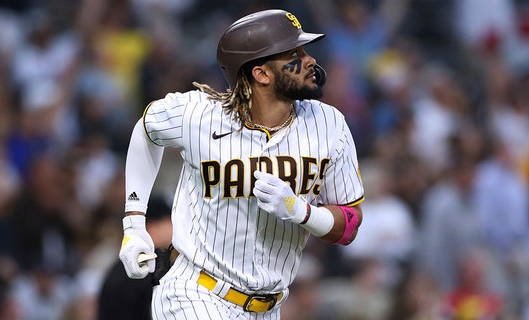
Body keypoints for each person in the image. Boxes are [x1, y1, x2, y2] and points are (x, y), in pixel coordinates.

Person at [117, 8, 364, 319]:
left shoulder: (329, 124)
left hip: (269, 307)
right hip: (195, 292)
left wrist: (302, 211)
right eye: (294, 53)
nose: (310, 60)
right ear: (261, 74)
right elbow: (146, 130)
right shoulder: (199, 114)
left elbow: (349, 226)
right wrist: (134, 224)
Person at [97, 194, 173, 320]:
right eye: (169, 221)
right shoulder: (137, 272)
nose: (175, 227)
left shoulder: (128, 267)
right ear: (152, 228)